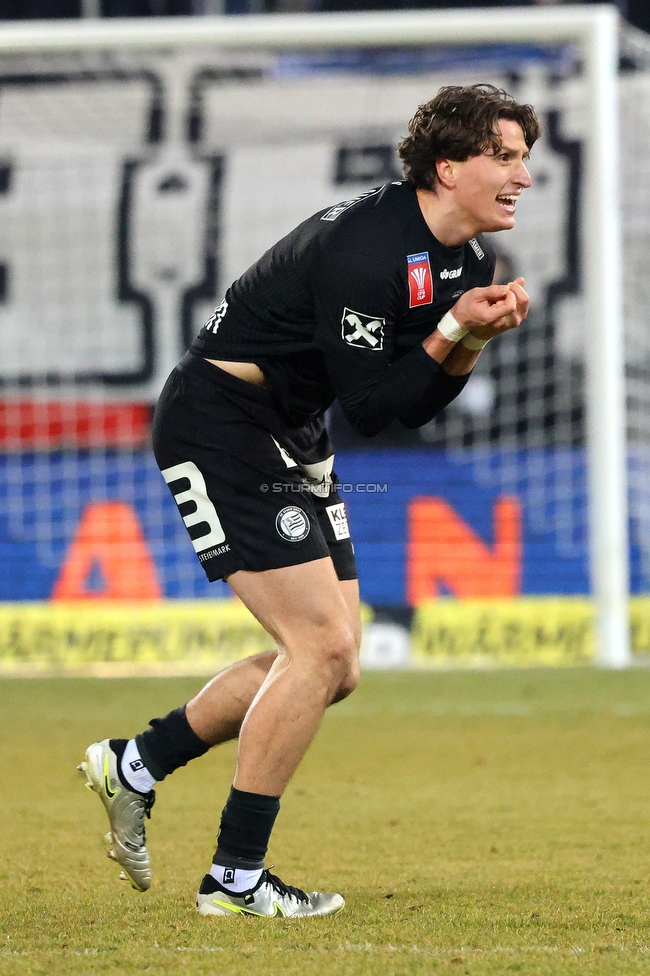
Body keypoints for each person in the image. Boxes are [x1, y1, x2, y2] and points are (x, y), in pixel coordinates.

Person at [78, 83, 540, 918]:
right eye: (503, 156)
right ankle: (235, 880)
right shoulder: (366, 251)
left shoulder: (466, 260)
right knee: (319, 648)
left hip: (292, 429)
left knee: (336, 663)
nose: (524, 176)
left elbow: (410, 405)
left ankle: (136, 765)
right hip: (221, 423)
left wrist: (470, 334)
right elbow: (367, 409)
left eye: (525, 158)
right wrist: (453, 332)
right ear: (448, 167)